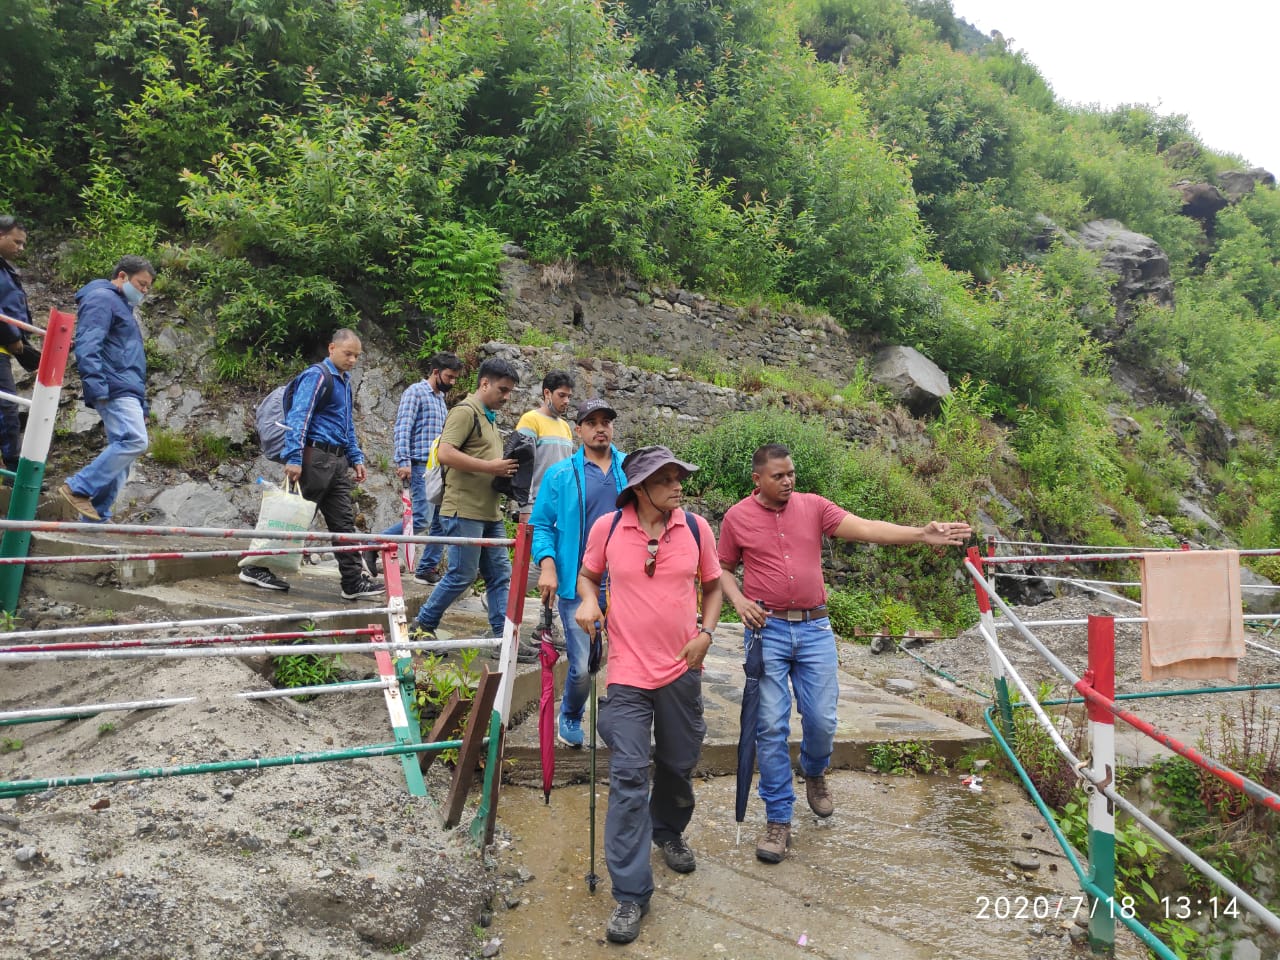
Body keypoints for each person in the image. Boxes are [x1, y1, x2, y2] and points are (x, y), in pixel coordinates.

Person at [717, 443, 972, 864]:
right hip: (768, 631)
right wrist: (738, 601)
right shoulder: (736, 518)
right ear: (757, 479)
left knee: (822, 718)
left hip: (815, 628)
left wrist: (920, 534)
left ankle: (814, 771)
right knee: (770, 725)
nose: (788, 481)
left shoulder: (814, 507)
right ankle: (778, 819)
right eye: (778, 476)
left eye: (791, 474)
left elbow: (868, 528)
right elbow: (722, 567)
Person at [574, 446, 723, 945]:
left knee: (680, 761)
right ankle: (631, 894)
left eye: (681, 475)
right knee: (629, 776)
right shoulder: (610, 529)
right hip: (628, 672)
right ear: (639, 488)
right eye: (666, 478)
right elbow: (588, 576)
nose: (678, 484)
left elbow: (714, 586)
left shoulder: (697, 528)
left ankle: (669, 830)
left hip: (682, 667)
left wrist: (706, 632)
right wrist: (590, 602)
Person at [239, 329, 384, 601]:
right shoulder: (317, 376)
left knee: (343, 521)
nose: (353, 360)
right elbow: (299, 416)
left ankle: (352, 582)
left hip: (337, 461)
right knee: (292, 516)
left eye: (356, 356)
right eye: (348, 353)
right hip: (313, 457)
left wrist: (356, 457)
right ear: (332, 348)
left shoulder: (344, 382)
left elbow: (347, 424)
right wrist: (294, 458)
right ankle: (255, 566)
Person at [529, 398, 626, 748]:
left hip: (623, 585)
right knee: (582, 665)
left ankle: (621, 722)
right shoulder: (561, 475)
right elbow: (541, 525)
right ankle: (571, 713)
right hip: (575, 582)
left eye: (607, 421)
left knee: (624, 661)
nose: (601, 428)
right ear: (580, 429)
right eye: (593, 422)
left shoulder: (629, 470)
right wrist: (549, 566)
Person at [413, 356, 520, 644]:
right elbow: (446, 453)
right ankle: (422, 624)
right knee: (462, 574)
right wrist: (492, 467)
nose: (506, 397)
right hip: (463, 511)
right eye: (502, 390)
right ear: (484, 383)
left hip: (489, 513)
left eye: (510, 392)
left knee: (500, 575)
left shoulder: (489, 417)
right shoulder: (465, 412)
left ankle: (503, 638)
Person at [58, 255, 156, 523]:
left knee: (124, 454)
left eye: (148, 287)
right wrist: (97, 386)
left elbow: (131, 362)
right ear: (122, 276)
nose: (145, 291)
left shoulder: (122, 306)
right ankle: (78, 487)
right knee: (134, 441)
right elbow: (88, 344)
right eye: (141, 284)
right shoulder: (102, 298)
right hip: (114, 386)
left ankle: (95, 518)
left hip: (127, 388)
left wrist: (142, 404)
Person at [375, 351, 463, 583]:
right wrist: (403, 461)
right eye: (449, 376)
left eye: (455, 378)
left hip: (437, 467)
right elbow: (403, 427)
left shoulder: (440, 399)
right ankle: (374, 542)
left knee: (441, 520)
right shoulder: (415, 392)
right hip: (419, 465)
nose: (452, 382)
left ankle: (426, 569)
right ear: (436, 372)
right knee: (421, 519)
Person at [0, 216, 39, 472]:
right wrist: (14, 338)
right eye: (17, 242)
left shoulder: (5, 269)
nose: (21, 248)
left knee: (8, 407)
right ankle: (13, 471)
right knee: (6, 408)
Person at [515, 370, 575, 521]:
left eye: (569, 396)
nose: (567, 401)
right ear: (547, 393)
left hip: (562, 508)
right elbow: (522, 468)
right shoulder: (530, 420)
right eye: (562, 395)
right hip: (537, 507)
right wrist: (526, 509)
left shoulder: (565, 426)